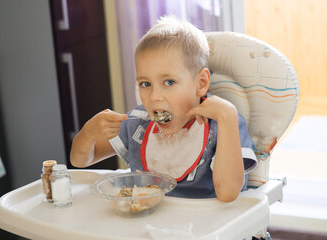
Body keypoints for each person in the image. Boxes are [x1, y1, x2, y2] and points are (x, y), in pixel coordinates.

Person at [70, 16, 257, 202]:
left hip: (204, 227)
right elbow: (80, 160)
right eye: (145, 83)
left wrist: (227, 115)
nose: (154, 96)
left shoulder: (222, 124)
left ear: (201, 83)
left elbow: (228, 193)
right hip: (146, 224)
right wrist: (89, 133)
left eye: (169, 82)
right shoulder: (139, 123)